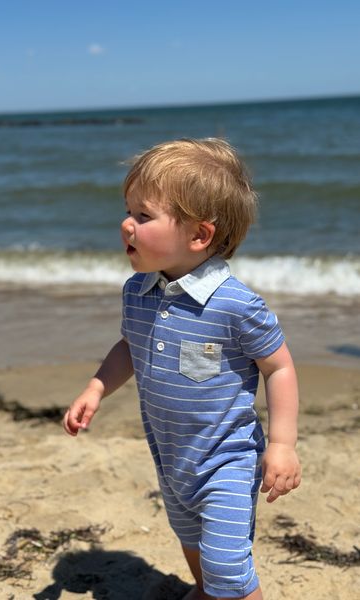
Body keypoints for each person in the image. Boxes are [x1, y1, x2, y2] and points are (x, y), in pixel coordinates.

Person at [63, 138, 301, 600]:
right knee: (190, 539)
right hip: (172, 456)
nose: (126, 224)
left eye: (144, 215)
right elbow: (130, 346)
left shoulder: (235, 305)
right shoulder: (137, 291)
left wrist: (283, 445)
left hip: (227, 459)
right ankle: (203, 589)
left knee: (228, 566)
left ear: (199, 236)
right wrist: (96, 387)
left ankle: (223, 589)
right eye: (127, 210)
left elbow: (279, 367)